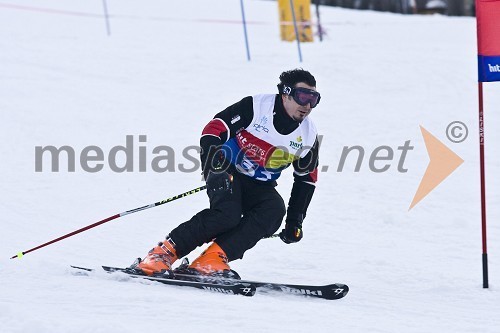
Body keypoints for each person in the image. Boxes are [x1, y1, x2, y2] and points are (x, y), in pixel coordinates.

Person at [131, 68, 321, 278]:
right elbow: (213, 129)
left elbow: (306, 180)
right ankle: (161, 255)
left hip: (260, 184)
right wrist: (215, 169)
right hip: (227, 169)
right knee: (227, 214)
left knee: (273, 211)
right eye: (303, 96)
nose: (308, 105)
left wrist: (295, 221)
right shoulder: (257, 107)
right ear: (285, 93)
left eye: (314, 99)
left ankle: (210, 261)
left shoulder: (308, 135)